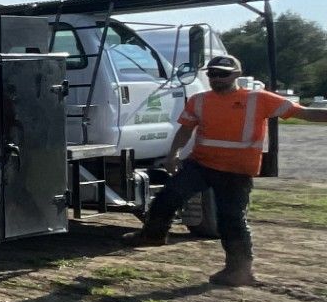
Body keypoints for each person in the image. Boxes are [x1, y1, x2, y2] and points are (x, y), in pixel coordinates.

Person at [134, 53, 327, 285]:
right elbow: (185, 129)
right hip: (201, 164)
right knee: (168, 197)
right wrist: (173, 153)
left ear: (237, 75)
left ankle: (239, 271)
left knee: (231, 219)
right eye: (212, 74)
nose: (216, 78)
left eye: (222, 74)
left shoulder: (258, 99)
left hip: (235, 171)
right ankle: (152, 236)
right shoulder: (199, 100)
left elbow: (304, 112)